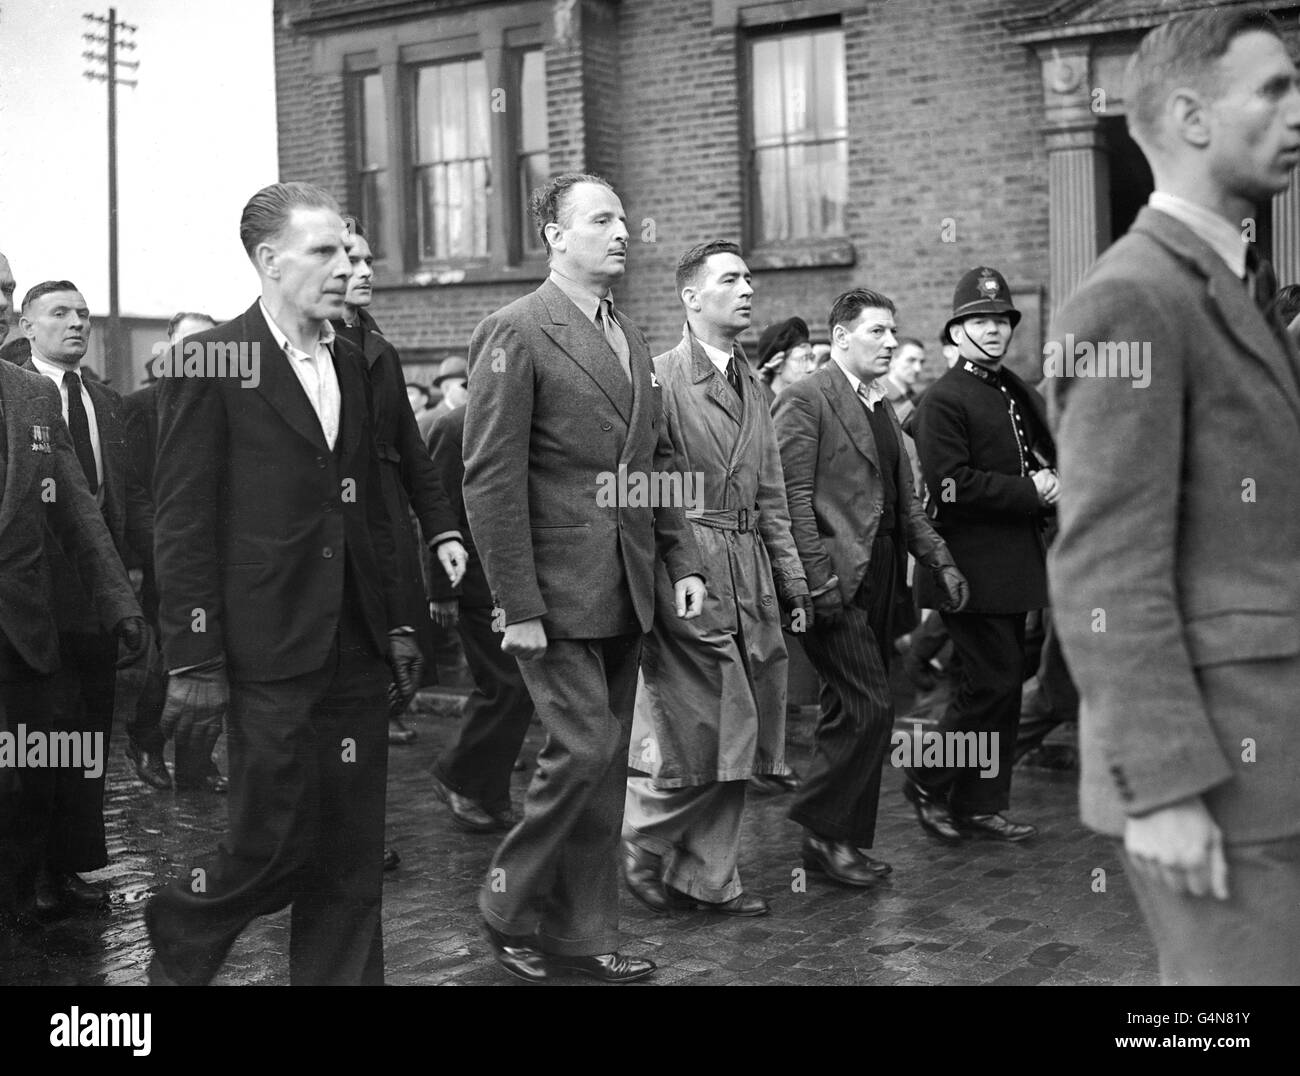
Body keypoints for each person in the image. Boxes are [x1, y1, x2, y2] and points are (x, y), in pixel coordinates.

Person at [1049, 8, 1300, 985]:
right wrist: (1158, 788)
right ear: (1191, 117)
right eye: (1273, 89)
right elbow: (1104, 562)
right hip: (1214, 779)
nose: (1296, 111)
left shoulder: (1230, 285)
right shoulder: (1132, 296)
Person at [145, 181, 420, 986]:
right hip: (266, 651)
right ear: (269, 260)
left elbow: (371, 509)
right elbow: (183, 521)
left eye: (347, 250)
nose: (345, 267)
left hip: (355, 646)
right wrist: (194, 660)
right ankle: (185, 926)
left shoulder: (352, 359)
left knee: (351, 854)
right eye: (324, 252)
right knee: (274, 843)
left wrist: (397, 623)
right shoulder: (211, 361)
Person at [463, 172, 705, 984]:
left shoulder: (631, 336)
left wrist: (682, 563)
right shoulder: (515, 329)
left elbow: (655, 463)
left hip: (625, 589)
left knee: (602, 772)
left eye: (625, 220)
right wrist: (516, 605)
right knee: (584, 747)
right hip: (552, 594)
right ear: (554, 235)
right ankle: (504, 905)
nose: (622, 233)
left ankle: (579, 935)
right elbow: (490, 480)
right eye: (601, 220)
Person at [622, 241, 809, 918]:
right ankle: (639, 838)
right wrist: (674, 570)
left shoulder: (756, 387)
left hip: (751, 569)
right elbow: (641, 486)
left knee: (748, 730)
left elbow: (773, 497)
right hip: (691, 566)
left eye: (750, 277)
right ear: (691, 297)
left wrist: (793, 581)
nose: (748, 288)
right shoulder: (659, 377)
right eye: (730, 279)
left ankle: (705, 877)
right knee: (712, 725)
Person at [774, 288, 967, 886]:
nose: (889, 342)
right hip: (835, 581)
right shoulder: (807, 400)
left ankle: (841, 844)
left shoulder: (880, 406)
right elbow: (789, 499)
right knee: (871, 707)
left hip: (884, 576)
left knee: (848, 710)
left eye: (892, 332)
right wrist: (817, 580)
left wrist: (942, 562)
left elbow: (906, 505)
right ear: (840, 337)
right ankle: (818, 830)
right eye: (877, 332)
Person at [904, 267, 1056, 844]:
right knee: (989, 685)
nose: (993, 330)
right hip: (967, 568)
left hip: (1012, 563)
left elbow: (1028, 453)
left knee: (999, 683)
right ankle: (927, 776)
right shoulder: (944, 397)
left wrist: (1049, 477)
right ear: (958, 329)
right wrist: (1030, 491)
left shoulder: (1008, 389)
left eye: (1000, 320)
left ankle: (979, 802)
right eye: (979, 320)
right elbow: (949, 484)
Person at [19, 281, 154, 915]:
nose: (77, 325)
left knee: (87, 736)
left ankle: (74, 863)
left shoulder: (106, 401)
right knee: (39, 735)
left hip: (96, 596)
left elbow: (111, 503)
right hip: (33, 599)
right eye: (61, 314)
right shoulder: (18, 392)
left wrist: (132, 583)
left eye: (83, 315)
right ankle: (35, 869)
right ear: (27, 324)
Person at [0, 356, 144, 948]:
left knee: (24, 774)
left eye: (5, 287)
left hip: (21, 626)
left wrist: (119, 604)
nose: (0, 300)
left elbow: (79, 512)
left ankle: (14, 903)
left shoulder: (32, 394)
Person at [333, 221, 465, 747]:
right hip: (335, 528)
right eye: (353, 261)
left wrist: (442, 532)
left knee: (399, 664)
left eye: (369, 261)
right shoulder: (309, 347)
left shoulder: (380, 350)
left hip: (386, 524)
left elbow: (413, 451)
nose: (366, 272)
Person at [123, 311, 222, 794]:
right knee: (168, 661)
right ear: (169, 346)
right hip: (168, 554)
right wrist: (158, 547)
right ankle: (145, 742)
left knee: (211, 659)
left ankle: (198, 760)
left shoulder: (227, 400)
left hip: (214, 555)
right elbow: (134, 489)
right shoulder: (141, 405)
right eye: (188, 343)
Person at [427, 399, 534, 833]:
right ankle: (456, 777)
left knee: (520, 687)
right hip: (472, 583)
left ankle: (489, 791)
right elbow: (437, 511)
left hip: (512, 582)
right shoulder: (455, 427)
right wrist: (442, 590)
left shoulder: (516, 420)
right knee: (504, 684)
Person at [755, 316, 815, 405]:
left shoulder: (808, 405)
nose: (812, 367)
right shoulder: (759, 408)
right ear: (778, 365)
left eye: (811, 358)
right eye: (803, 359)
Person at [418, 356, 468, 442]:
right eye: (464, 385)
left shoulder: (471, 417)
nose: (469, 390)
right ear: (446, 388)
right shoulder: (428, 420)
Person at [881, 336, 925, 425]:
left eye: (921, 362)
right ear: (892, 360)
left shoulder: (918, 400)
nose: (918, 368)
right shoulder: (878, 398)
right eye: (911, 360)